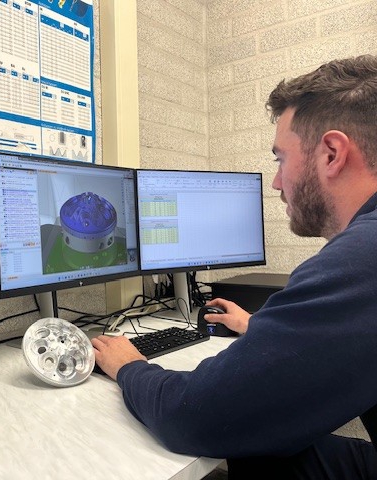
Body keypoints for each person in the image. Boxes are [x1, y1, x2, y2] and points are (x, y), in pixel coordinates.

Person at [92, 54, 377, 479]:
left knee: (244, 437)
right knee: (265, 449)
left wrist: (129, 366)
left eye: (281, 159)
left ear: (332, 153)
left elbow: (193, 416)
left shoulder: (363, 258)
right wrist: (260, 328)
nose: (277, 182)